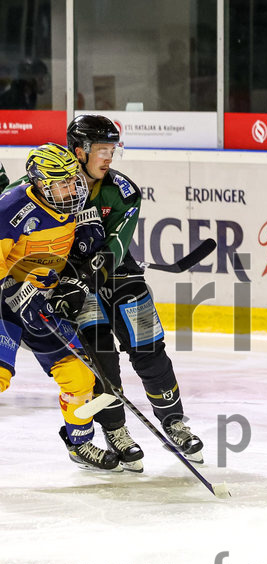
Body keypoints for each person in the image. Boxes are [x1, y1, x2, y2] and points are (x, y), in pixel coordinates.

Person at [51, 115, 205, 471]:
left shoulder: (123, 191)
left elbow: (116, 246)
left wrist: (90, 273)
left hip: (117, 273)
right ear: (79, 151)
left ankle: (174, 422)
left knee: (149, 346)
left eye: (112, 150)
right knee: (100, 356)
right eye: (101, 150)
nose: (108, 157)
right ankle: (115, 431)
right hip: (73, 283)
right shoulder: (52, 184)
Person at [0, 143, 120, 471]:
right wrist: (16, 288)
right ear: (40, 183)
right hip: (6, 306)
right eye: (61, 184)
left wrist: (85, 259)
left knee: (80, 377)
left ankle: (80, 444)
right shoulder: (9, 209)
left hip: (41, 303)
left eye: (73, 180)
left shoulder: (76, 201)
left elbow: (83, 247)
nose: (71, 189)